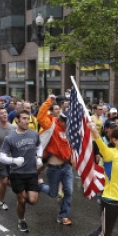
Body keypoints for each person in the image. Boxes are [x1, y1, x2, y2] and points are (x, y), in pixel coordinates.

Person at [0, 111, 41, 232]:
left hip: (32, 172)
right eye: (24, 118)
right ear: (17, 120)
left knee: (32, 201)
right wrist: (14, 160)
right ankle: (21, 220)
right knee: (21, 199)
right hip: (17, 173)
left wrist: (40, 157)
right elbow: (1, 156)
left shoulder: (34, 134)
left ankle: (24, 192)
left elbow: (39, 146)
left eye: (28, 118)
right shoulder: (10, 138)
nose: (27, 121)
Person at [37, 95, 74, 225]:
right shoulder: (51, 124)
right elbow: (40, 116)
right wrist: (49, 101)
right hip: (53, 169)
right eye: (67, 124)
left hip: (66, 167)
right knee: (53, 194)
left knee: (68, 192)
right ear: (61, 121)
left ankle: (63, 216)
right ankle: (40, 185)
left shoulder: (69, 130)